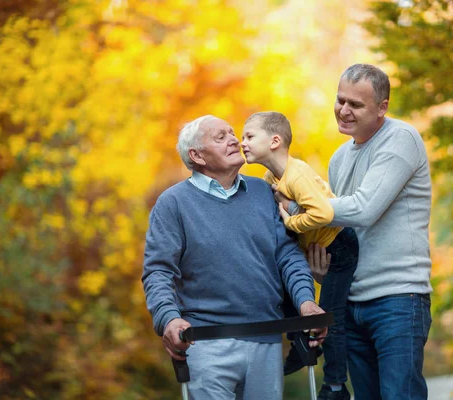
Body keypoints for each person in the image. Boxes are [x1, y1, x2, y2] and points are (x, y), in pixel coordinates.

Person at [275, 64, 433, 400]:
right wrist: (324, 271)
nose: (344, 110)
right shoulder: (339, 158)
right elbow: (341, 233)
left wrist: (300, 210)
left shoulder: (400, 139)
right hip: (350, 304)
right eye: (340, 100)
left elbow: (364, 209)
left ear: (382, 107)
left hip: (398, 299)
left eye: (356, 105)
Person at [142, 115, 327, 400]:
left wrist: (306, 302)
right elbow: (158, 271)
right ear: (197, 155)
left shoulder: (264, 192)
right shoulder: (173, 203)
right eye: (221, 137)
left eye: (232, 133)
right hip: (205, 344)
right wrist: (168, 319)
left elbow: (288, 255)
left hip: (266, 339)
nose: (234, 140)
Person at [241, 111, 359, 400]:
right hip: (319, 245)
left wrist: (292, 222)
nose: (241, 142)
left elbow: (324, 213)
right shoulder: (272, 176)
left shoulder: (297, 174)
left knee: (331, 315)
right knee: (281, 287)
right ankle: (300, 341)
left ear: (275, 141)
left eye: (249, 136)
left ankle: (335, 386)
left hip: (339, 243)